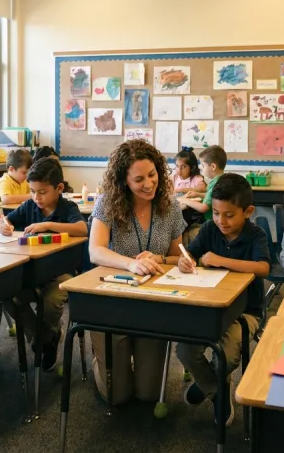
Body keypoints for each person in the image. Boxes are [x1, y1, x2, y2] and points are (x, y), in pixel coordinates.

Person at [88, 140, 186, 405]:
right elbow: (95, 251)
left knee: (148, 394)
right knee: (116, 397)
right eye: (139, 179)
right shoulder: (108, 203)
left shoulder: (170, 205)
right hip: (112, 299)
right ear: (123, 182)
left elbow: (180, 256)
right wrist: (130, 263)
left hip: (152, 303)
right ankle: (101, 358)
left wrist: (161, 257)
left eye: (153, 175)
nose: (149, 184)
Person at [176, 174, 269, 427]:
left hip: (245, 312)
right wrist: (184, 262)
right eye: (216, 213)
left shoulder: (255, 234)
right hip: (208, 308)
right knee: (184, 349)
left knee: (225, 357)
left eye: (229, 215)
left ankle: (206, 383)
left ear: (247, 211)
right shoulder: (209, 229)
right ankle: (216, 389)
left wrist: (221, 260)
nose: (220, 220)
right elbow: (190, 256)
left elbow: (263, 268)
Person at [0, 158, 87, 369]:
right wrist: (3, 225)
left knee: (52, 301)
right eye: (32, 191)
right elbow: (4, 221)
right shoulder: (29, 206)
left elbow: (82, 229)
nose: (36, 197)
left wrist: (47, 225)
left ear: (59, 188)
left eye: (42, 192)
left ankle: (46, 336)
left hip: (59, 274)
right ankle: (45, 338)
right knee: (7, 296)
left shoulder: (67, 207)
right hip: (30, 274)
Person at [178, 145, 227, 222]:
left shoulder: (215, 184)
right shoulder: (222, 179)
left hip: (211, 221)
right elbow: (212, 197)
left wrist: (183, 200)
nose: (201, 167)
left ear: (213, 166)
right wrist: (197, 194)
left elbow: (203, 208)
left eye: (203, 166)